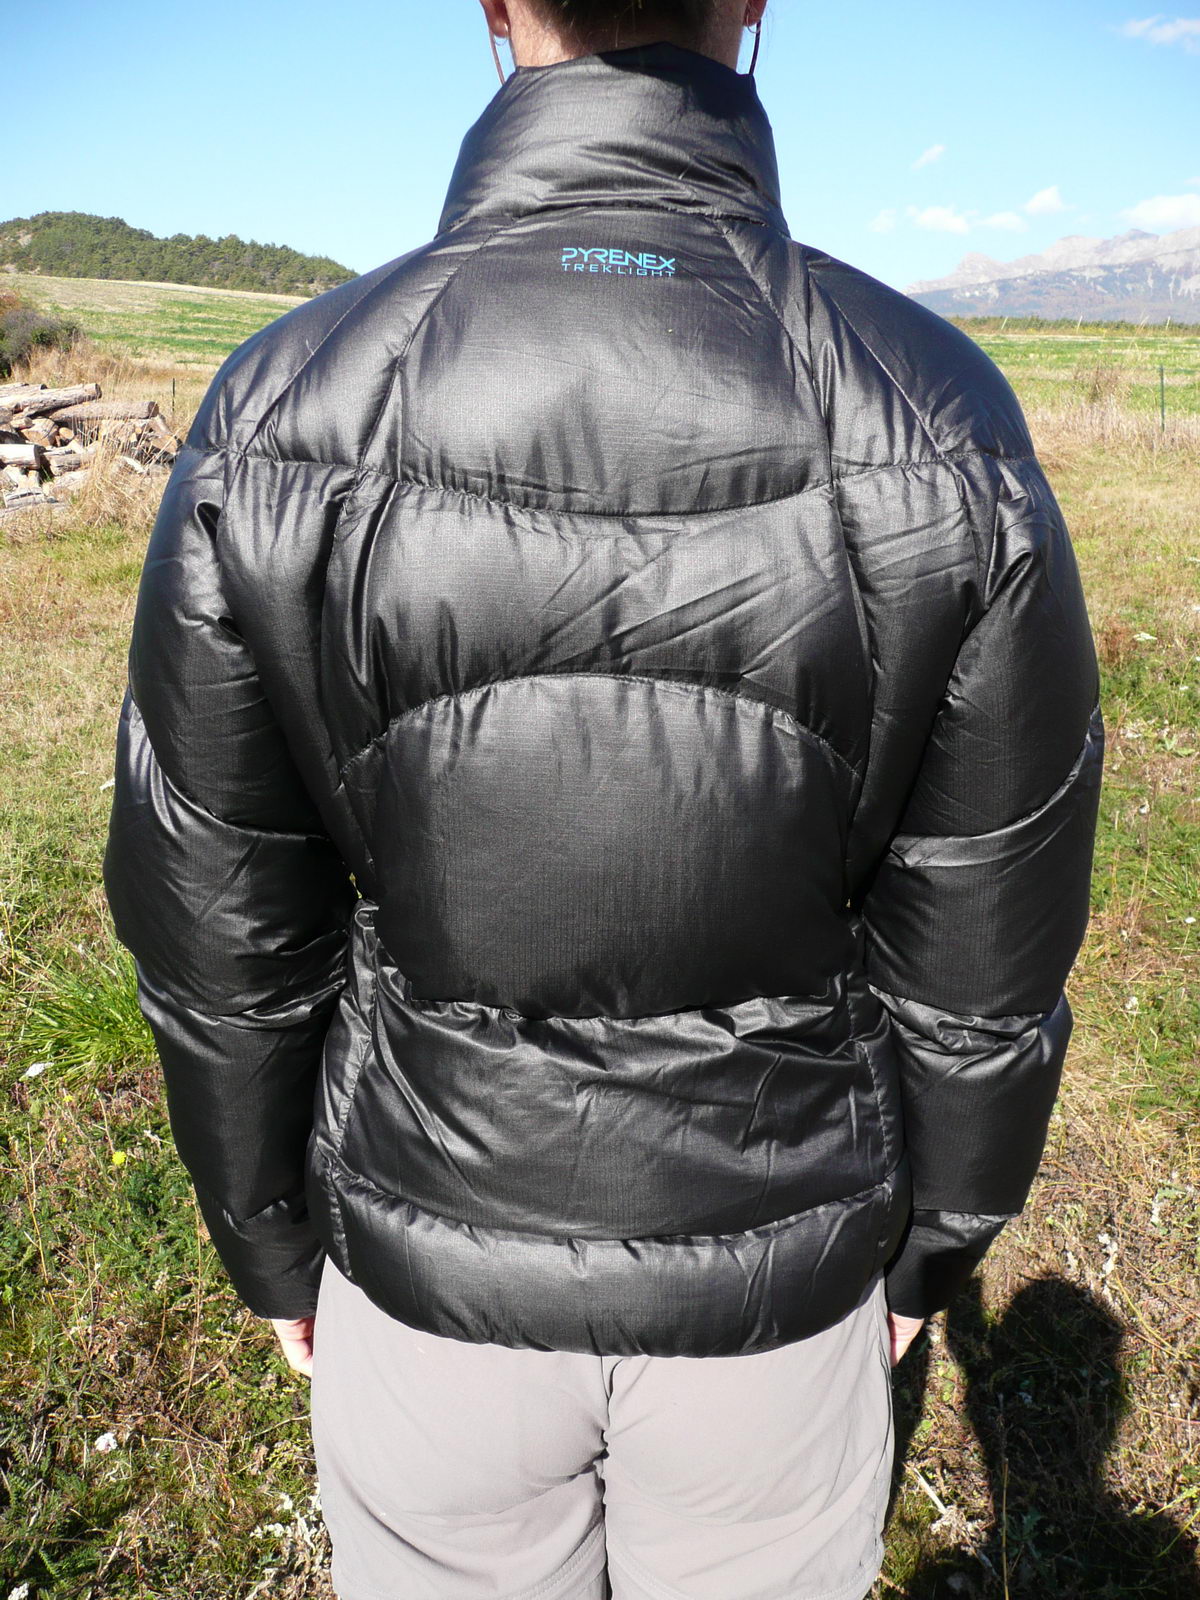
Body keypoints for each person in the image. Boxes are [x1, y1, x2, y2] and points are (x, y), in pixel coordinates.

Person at [103, 0, 1103, 1595]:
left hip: (428, 1273)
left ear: (494, 7)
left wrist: (268, 1229)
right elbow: (987, 928)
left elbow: (221, 915)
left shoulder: (285, 406)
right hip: (778, 1300)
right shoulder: (936, 413)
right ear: (755, 4)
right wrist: (933, 1248)